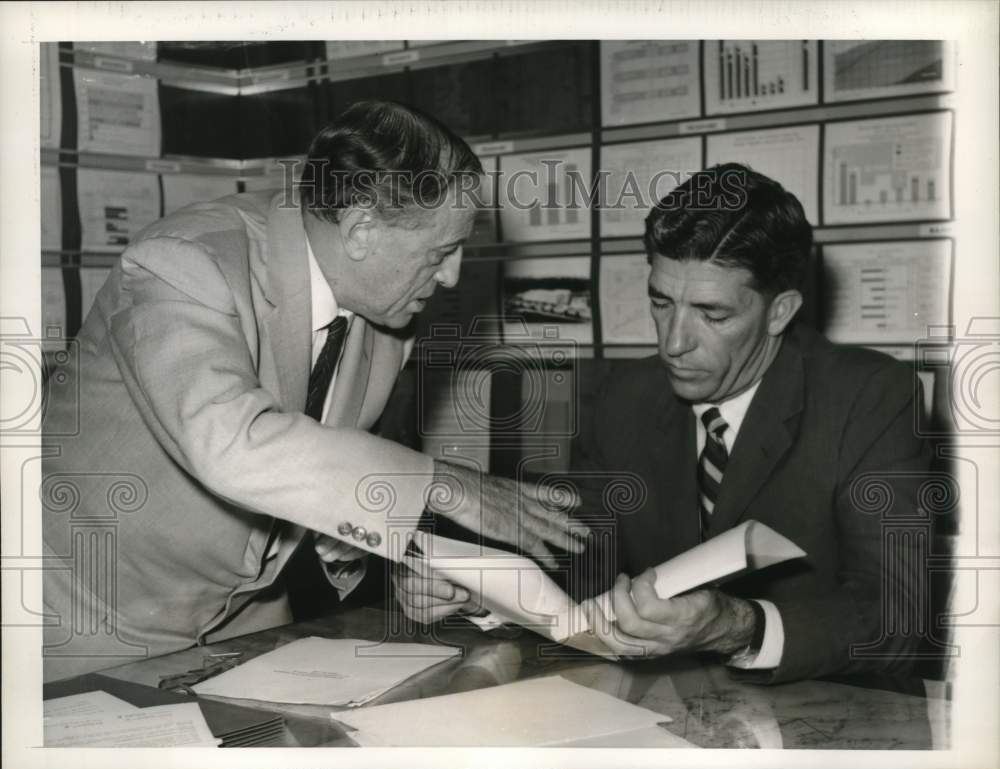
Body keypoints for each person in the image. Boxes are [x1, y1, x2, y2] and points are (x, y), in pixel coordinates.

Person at [41, 100, 584, 682]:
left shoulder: (388, 315)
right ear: (360, 232)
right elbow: (232, 444)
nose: (452, 276)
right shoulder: (185, 261)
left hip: (248, 613)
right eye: (440, 252)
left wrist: (408, 564)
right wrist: (445, 485)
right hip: (87, 613)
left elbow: (321, 474)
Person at [400, 163, 933, 685]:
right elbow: (583, 565)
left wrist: (736, 627)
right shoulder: (626, 398)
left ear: (780, 312)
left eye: (712, 314)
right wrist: (481, 593)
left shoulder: (870, 398)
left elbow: (898, 619)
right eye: (660, 302)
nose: (673, 342)